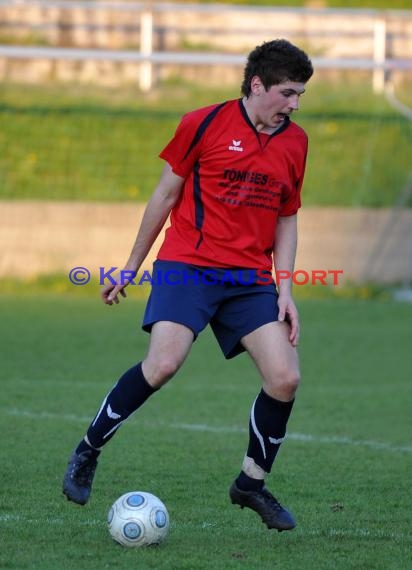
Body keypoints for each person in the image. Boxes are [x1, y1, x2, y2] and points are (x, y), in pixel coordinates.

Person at [63, 39, 314, 532]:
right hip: (188, 265)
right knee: (162, 364)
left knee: (285, 378)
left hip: (248, 278)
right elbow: (164, 194)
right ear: (257, 84)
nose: (295, 104)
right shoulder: (202, 122)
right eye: (288, 92)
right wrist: (131, 266)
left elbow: (287, 217)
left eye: (301, 94)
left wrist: (285, 289)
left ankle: (250, 485)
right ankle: (87, 450)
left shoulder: (296, 141)